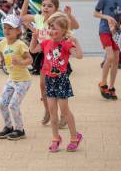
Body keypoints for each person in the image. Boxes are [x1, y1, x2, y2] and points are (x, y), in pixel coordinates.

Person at [20, 0, 79, 126]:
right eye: (44, 5)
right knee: (43, 85)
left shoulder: (58, 19)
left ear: (56, 9)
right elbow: (23, 17)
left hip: (58, 56)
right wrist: (26, 1)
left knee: (59, 89)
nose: (46, 8)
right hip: (44, 55)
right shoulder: (39, 18)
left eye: (50, 6)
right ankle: (48, 111)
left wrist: (69, 15)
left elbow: (76, 26)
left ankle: (64, 115)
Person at [30, 12, 83, 152]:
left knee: (64, 111)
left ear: (64, 30)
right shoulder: (46, 42)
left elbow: (79, 56)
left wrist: (76, 42)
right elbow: (33, 50)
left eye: (54, 28)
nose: (51, 31)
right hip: (50, 80)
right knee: (53, 112)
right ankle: (55, 138)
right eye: (50, 28)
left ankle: (74, 137)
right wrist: (34, 37)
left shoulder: (65, 44)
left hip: (61, 80)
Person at [0, 15, 32, 141]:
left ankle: (20, 129)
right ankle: (8, 127)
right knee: (2, 102)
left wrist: (21, 63)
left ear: (18, 30)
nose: (6, 30)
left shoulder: (20, 44)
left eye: (10, 28)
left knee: (13, 105)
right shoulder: (3, 43)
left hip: (23, 81)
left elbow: (30, 59)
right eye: (5, 27)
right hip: (12, 80)